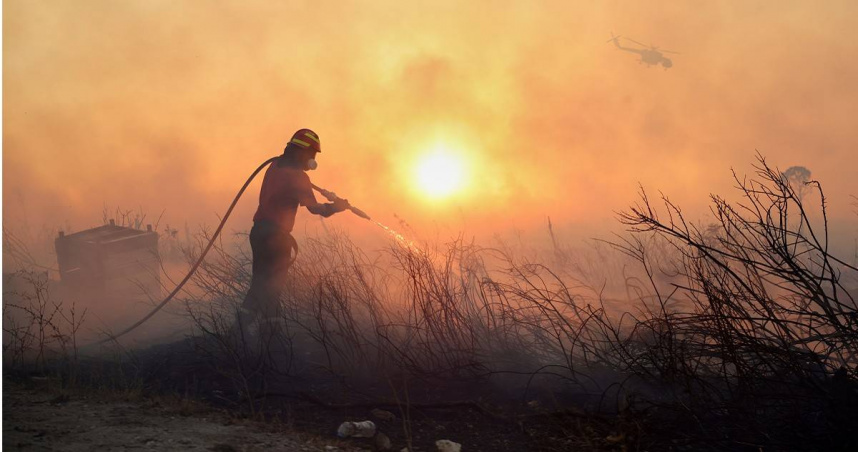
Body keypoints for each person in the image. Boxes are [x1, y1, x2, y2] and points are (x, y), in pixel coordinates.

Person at [238, 128, 349, 332]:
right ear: (301, 152)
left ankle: (252, 330)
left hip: (259, 233)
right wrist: (336, 207)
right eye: (312, 154)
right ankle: (261, 333)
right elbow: (316, 209)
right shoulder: (298, 177)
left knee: (262, 283)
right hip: (276, 238)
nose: (314, 159)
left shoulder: (274, 166)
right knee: (272, 286)